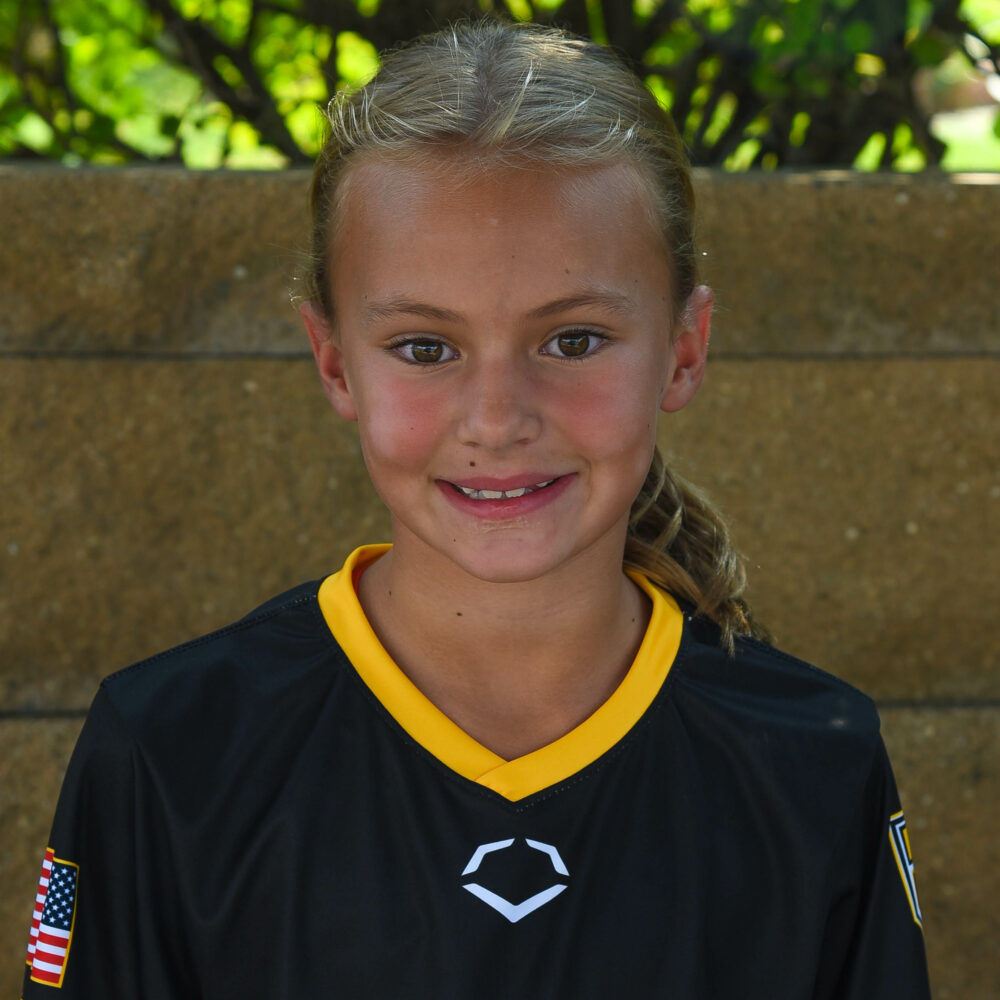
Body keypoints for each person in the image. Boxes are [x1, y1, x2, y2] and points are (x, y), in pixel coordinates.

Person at [22, 19, 930, 999]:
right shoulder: (172, 748)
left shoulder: (811, 760)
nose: (497, 420)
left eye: (573, 341)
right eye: (425, 348)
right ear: (334, 362)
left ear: (684, 348)